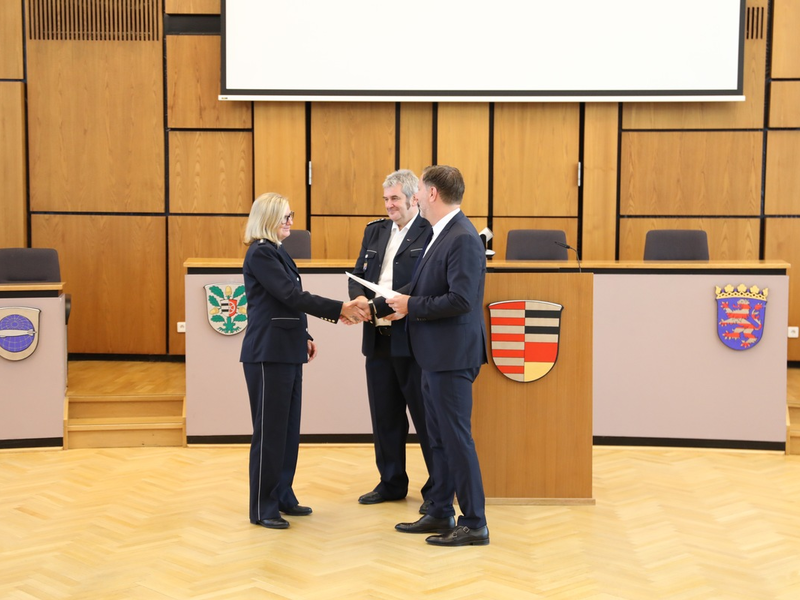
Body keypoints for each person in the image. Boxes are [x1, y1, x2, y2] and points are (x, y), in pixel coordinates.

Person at [240, 192, 368, 530]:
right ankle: (262, 506)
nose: (291, 222)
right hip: (267, 354)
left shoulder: (278, 253)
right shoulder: (261, 253)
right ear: (267, 219)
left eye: (291, 215)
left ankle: (282, 495)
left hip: (287, 350)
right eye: (285, 217)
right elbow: (291, 295)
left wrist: (305, 336)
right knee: (269, 432)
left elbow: (287, 305)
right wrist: (340, 308)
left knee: (287, 429)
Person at [384, 165, 490, 547]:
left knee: (456, 438)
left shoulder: (461, 237)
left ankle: (474, 522)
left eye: (418, 193)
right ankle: (441, 510)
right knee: (440, 438)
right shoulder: (441, 233)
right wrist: (397, 303)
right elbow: (429, 283)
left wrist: (413, 304)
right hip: (432, 354)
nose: (413, 199)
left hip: (451, 355)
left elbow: (461, 300)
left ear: (430, 194)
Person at [348, 169, 435, 514]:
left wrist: (379, 305)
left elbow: (426, 283)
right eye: (385, 199)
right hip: (377, 337)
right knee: (384, 416)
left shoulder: (430, 232)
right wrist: (357, 302)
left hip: (411, 339)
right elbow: (358, 274)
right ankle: (391, 482)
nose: (389, 206)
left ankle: (437, 489)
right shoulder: (375, 230)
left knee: (426, 419)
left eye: (395, 198)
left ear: (415, 198)